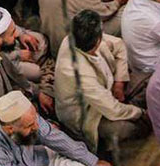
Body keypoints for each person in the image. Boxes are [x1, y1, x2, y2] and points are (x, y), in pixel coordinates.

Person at [52, 10, 149, 156]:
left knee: (148, 81)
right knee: (127, 128)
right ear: (98, 39)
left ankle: (132, 108)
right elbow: (111, 109)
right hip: (89, 113)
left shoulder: (78, 39)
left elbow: (119, 45)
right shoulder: (77, 72)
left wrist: (119, 82)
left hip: (108, 91)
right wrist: (139, 113)